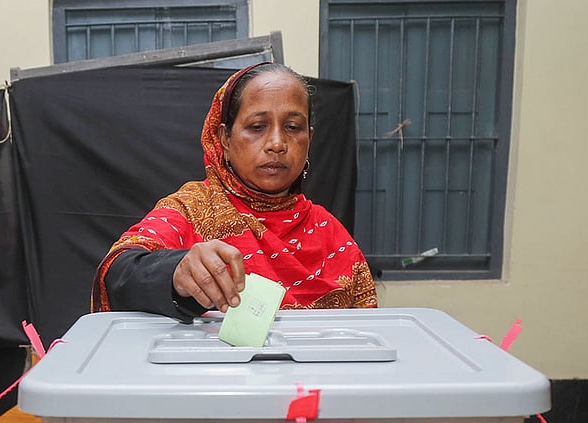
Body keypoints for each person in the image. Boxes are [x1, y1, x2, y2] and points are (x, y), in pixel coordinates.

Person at [92, 62, 377, 318]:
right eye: (257, 126)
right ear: (224, 139)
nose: (277, 143)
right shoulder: (193, 208)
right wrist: (176, 271)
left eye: (292, 127)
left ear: (309, 139)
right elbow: (117, 272)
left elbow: (365, 341)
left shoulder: (328, 232)